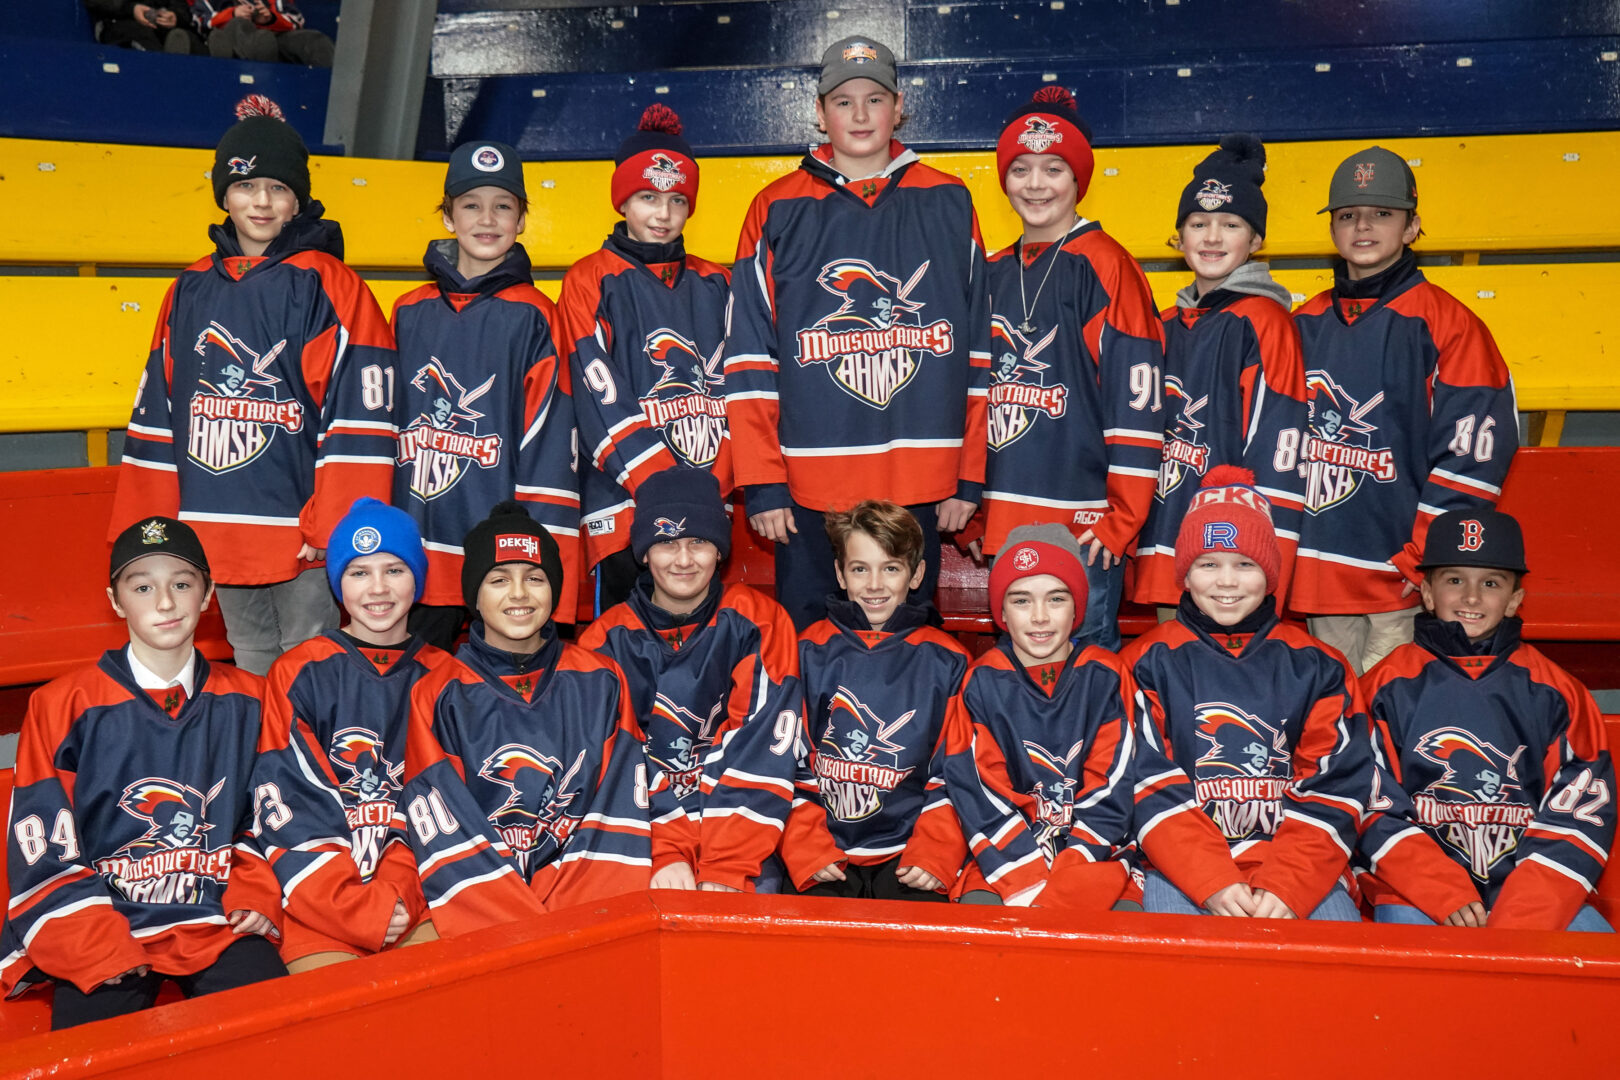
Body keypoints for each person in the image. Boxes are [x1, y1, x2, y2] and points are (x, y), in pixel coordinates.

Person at [110, 96, 397, 676]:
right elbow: (159, 414)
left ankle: (310, 766)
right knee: (250, 658)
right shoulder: (188, 289)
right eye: (245, 187)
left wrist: (335, 520)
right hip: (216, 526)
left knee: (312, 658)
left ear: (300, 199)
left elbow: (362, 418)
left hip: (302, 535)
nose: (261, 202)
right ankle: (264, 766)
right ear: (223, 195)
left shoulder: (333, 286)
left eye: (277, 188)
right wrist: (158, 523)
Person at [722, 35, 990, 630]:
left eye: (875, 98)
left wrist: (967, 476)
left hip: (921, 485)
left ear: (898, 108)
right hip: (810, 488)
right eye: (843, 101)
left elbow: (977, 352)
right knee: (810, 647)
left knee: (911, 656)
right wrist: (763, 480)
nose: (861, 115)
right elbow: (747, 358)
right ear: (820, 113)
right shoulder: (775, 207)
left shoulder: (948, 199)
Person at [0, 519, 285, 1028]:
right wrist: (93, 946)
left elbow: (265, 819)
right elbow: (42, 846)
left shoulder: (252, 699)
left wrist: (254, 892)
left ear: (208, 594)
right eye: (143, 586)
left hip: (217, 914)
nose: (166, 603)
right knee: (91, 1052)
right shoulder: (61, 705)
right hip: (105, 918)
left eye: (182, 583)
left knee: (277, 1032)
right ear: (114, 600)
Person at [1291, 146, 1518, 674]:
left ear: (1413, 226)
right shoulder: (1303, 323)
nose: (1363, 227)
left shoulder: (1450, 325)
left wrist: (1421, 557)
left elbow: (1474, 459)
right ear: (1332, 230)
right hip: (1321, 572)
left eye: (1383, 214)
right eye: (1348, 215)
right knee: (1331, 722)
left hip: (1401, 580)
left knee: (1390, 721)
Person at [1122, 468, 1380, 920]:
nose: (1226, 582)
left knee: (1336, 971)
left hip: (1296, 871)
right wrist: (1212, 880)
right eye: (1208, 564)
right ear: (1184, 574)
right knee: (1171, 972)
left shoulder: (1319, 665)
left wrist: (1287, 884)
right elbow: (1146, 783)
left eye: (1245, 564)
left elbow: (1337, 784)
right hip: (1178, 866)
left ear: (1271, 573)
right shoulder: (1145, 662)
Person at [395, 502, 651, 937]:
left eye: (535, 578)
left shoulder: (601, 679)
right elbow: (441, 824)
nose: (519, 594)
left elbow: (622, 806)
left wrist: (564, 918)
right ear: (474, 595)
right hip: (482, 912)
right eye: (498, 580)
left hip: (587, 907)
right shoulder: (436, 694)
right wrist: (521, 921)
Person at [973, 86, 1166, 652]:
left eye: (1053, 168)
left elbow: (1140, 403)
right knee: (1019, 687)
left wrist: (1121, 518)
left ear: (1078, 177)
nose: (1036, 184)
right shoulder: (988, 271)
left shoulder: (1108, 266)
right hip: (1004, 520)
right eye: (1022, 169)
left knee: (1085, 681)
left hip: (1085, 529)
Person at [1359, 510, 1615, 931]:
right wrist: (1442, 890)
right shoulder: (1383, 688)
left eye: (1491, 583)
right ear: (1426, 592)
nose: (1472, 598)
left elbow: (1582, 814)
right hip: (1417, 892)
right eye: (1454, 580)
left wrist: (1520, 914)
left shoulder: (1558, 692)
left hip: (1534, 894)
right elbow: (1367, 803)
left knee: (1596, 970)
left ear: (1515, 599)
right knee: (1413, 976)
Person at [252, 498, 457, 971]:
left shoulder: (447, 676)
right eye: (359, 572)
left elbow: (448, 803)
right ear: (337, 582)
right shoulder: (297, 671)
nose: (378, 589)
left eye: (395, 570)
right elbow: (287, 802)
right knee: (337, 1021)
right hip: (321, 904)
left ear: (418, 580)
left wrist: (398, 891)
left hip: (418, 892)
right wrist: (351, 906)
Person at [391, 139, 579, 648]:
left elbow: (550, 441)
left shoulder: (536, 314)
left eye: (503, 206)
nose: (487, 218)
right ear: (448, 217)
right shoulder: (407, 311)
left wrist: (531, 548)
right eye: (471, 205)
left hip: (500, 560)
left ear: (521, 220)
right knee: (412, 695)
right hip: (419, 551)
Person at [578, 467, 800, 892]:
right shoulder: (602, 642)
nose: (683, 560)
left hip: (738, 835)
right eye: (666, 543)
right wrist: (664, 850)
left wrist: (724, 866)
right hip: (640, 834)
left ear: (720, 550)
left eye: (698, 541)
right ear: (643, 553)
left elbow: (762, 751)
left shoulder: (761, 622)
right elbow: (610, 763)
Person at [559, 105, 733, 615]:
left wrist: (706, 483)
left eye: (677, 200)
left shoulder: (719, 283)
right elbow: (597, 394)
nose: (663, 214)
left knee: (700, 650)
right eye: (647, 198)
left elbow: (739, 385)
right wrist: (660, 485)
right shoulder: (590, 279)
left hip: (704, 495)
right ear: (623, 201)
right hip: (624, 502)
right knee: (621, 645)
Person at [1131, 135, 1308, 614]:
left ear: (1255, 240)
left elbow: (1278, 446)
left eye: (1230, 224)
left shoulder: (1265, 322)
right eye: (1198, 223)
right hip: (1167, 535)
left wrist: (1260, 554)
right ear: (1179, 236)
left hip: (1229, 558)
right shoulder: (1163, 324)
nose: (1211, 238)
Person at [942, 526, 1139, 908]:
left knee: (1125, 930)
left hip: (1096, 856)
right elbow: (977, 789)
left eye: (1056, 598)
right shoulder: (981, 682)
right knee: (977, 928)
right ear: (1000, 610)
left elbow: (1116, 789)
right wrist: (1027, 877)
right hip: (1003, 856)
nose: (1039, 617)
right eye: (1021, 600)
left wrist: (1066, 882)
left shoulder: (1108, 676)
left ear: (1077, 607)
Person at [782, 500, 970, 901]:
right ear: (840, 573)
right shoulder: (804, 651)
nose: (874, 585)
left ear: (916, 574)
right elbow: (785, 761)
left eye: (891, 568)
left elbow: (956, 771)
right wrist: (806, 847)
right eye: (859, 569)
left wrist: (935, 851)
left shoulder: (949, 659)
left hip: (910, 852)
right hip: (823, 851)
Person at [191, 0, 333, 66]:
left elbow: (297, 20)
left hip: (274, 37)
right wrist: (232, 14)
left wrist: (270, 18)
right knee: (239, 24)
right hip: (233, 34)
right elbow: (199, 21)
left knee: (313, 39)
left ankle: (334, 95)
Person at [84, 0, 203, 53]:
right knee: (142, 36)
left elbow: (181, 7)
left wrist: (175, 16)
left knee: (186, 37)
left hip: (159, 25)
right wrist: (132, 9)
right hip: (119, 22)